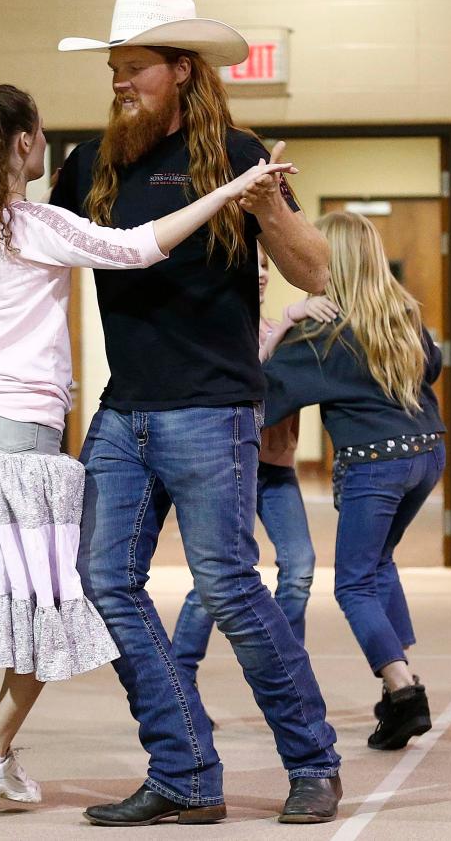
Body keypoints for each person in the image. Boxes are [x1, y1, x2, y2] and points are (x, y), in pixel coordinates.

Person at [0, 75, 294, 824]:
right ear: (20, 143)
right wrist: (230, 191)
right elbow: (138, 246)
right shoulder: (38, 223)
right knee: (51, 603)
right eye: (36, 132)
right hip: (15, 445)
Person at [0, 0, 342, 826]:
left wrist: (268, 209)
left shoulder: (237, 152)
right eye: (114, 68)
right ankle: (186, 769)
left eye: (134, 69)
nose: (118, 82)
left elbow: (314, 273)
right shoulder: (89, 162)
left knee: (228, 587)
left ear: (182, 72)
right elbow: (11, 236)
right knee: (103, 581)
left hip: (211, 406)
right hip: (124, 411)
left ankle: (313, 759)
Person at [262, 211, 445, 751]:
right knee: (379, 565)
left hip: (374, 465)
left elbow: (265, 393)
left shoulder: (324, 331)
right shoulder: (401, 314)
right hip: (427, 453)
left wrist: (281, 330)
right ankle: (398, 692)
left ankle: (403, 690)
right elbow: (431, 369)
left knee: (353, 583)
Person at [168, 249, 330, 694]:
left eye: (265, 266)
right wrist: (290, 317)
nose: (260, 274)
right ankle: (179, 679)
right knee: (216, 580)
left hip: (275, 468)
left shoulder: (283, 328)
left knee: (299, 567)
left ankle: (287, 673)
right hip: (228, 467)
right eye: (252, 265)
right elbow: (248, 375)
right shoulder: (225, 324)